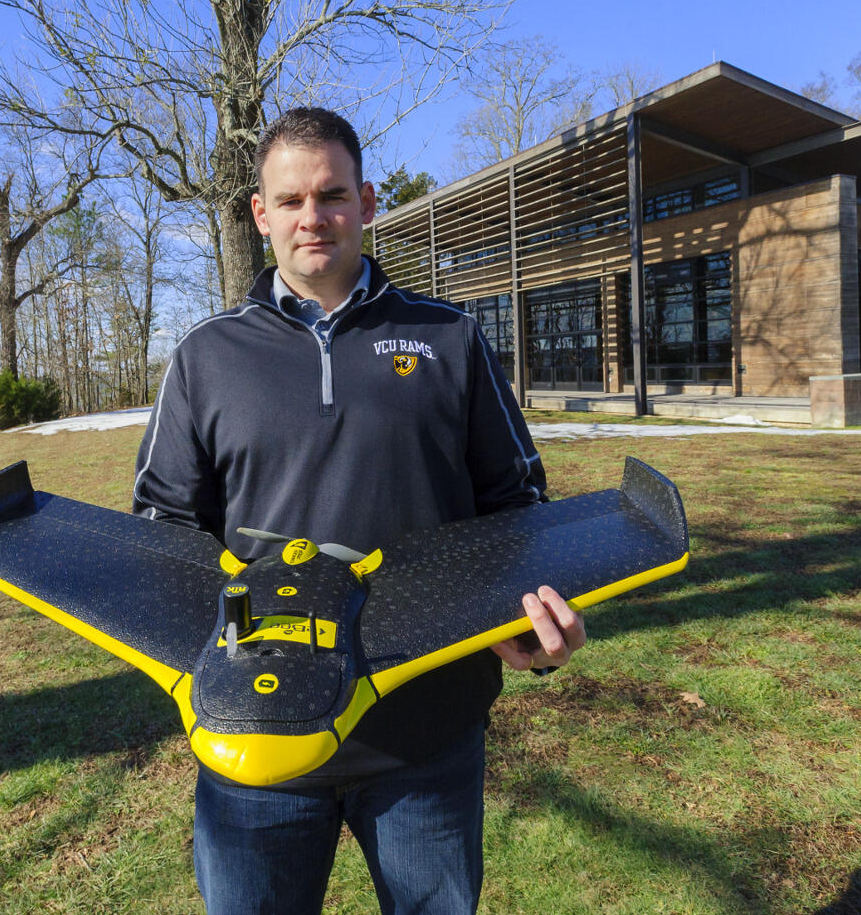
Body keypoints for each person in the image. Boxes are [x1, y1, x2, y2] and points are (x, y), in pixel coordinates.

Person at [132, 107, 586, 915]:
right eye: (293, 199)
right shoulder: (206, 355)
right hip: (256, 741)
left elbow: (516, 505)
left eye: (334, 194)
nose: (315, 217)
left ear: (368, 201)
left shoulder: (447, 337)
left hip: (426, 728)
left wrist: (529, 619)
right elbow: (164, 532)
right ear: (260, 213)